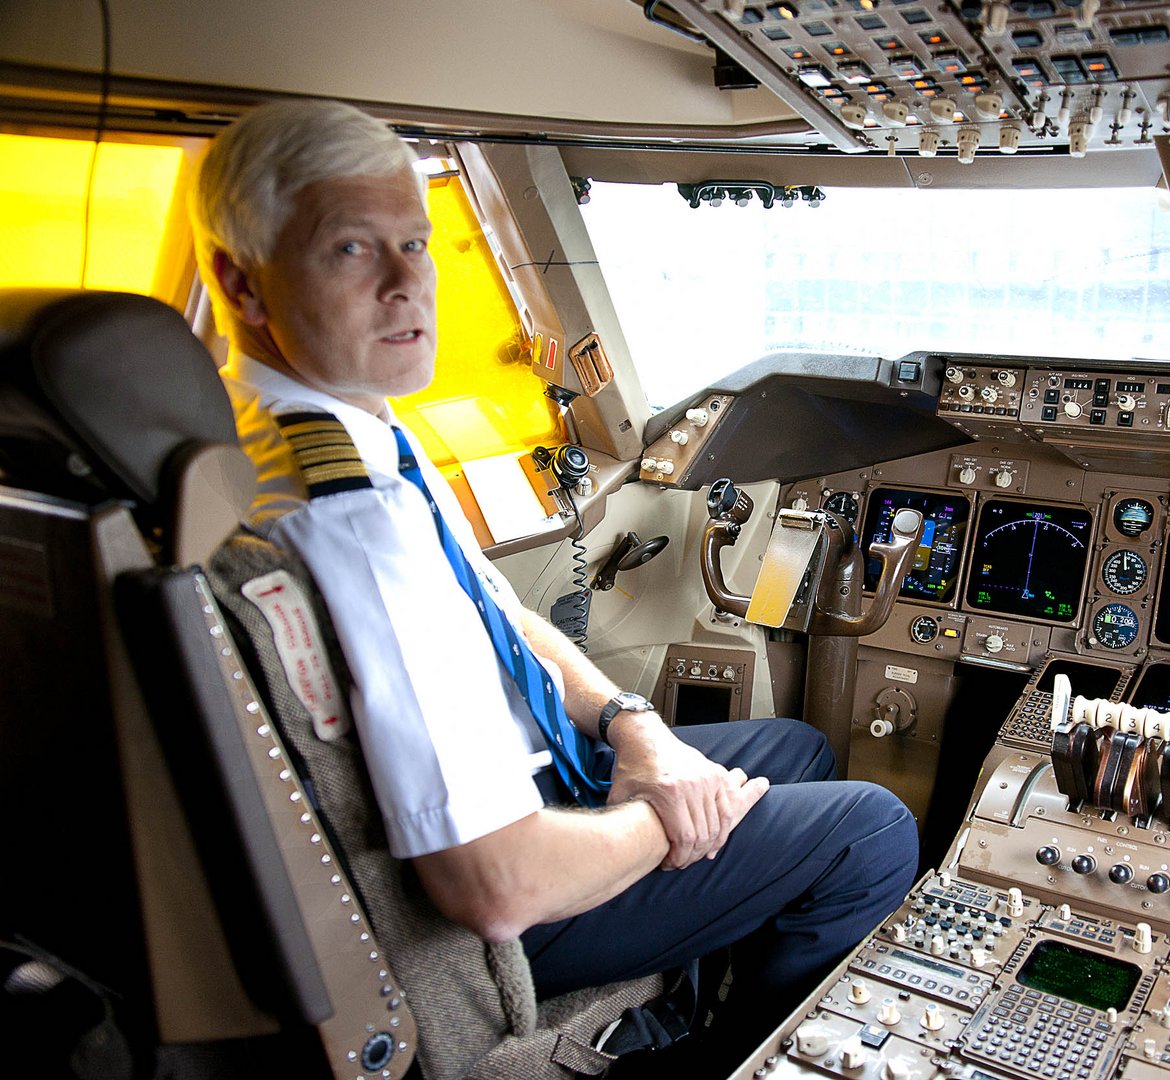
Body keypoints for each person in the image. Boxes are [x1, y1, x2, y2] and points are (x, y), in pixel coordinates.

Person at [189, 98, 918, 1066]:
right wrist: (664, 818)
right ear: (242, 285)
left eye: (417, 243)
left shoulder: (325, 428)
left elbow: (498, 616)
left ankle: (664, 1017)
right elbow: (495, 885)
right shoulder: (347, 521)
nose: (412, 285)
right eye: (354, 251)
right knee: (869, 832)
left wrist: (634, 726)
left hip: (521, 786)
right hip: (475, 910)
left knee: (789, 746)